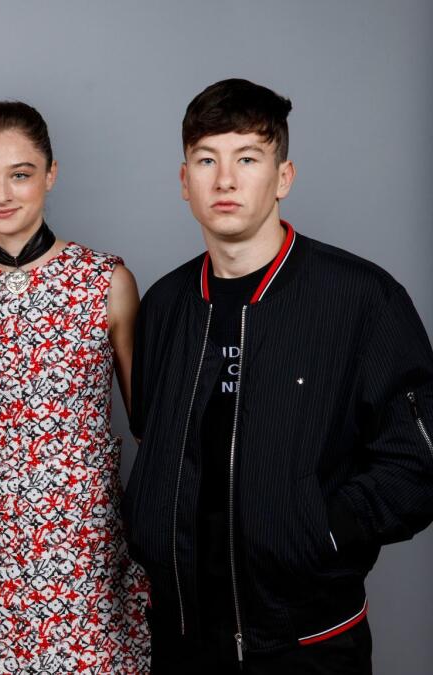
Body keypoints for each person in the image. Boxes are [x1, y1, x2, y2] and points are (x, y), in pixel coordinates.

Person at [124, 78, 433, 674]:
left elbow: (417, 460)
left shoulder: (360, 300)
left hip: (307, 641)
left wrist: (323, 529)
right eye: (206, 160)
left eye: (247, 159)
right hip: (183, 635)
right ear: (184, 181)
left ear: (283, 177)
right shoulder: (165, 304)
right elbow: (150, 439)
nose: (225, 180)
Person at [0, 102, 150, 673]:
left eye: (20, 174)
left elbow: (147, 423)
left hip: (84, 539)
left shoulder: (107, 281)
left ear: (50, 174)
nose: (2, 194)